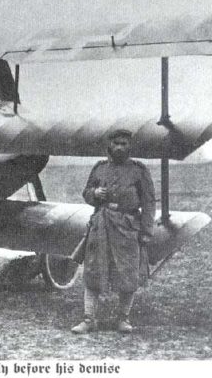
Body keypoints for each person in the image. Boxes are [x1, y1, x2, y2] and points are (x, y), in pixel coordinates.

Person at [71, 129, 155, 334]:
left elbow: (149, 202)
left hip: (127, 228)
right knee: (93, 269)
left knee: (127, 272)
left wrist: (146, 231)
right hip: (101, 225)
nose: (119, 147)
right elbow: (86, 193)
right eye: (116, 143)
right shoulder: (99, 168)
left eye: (124, 143)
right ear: (109, 146)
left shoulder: (139, 170)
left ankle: (123, 319)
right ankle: (89, 319)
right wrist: (95, 193)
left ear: (130, 147)